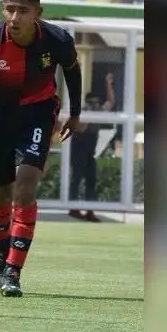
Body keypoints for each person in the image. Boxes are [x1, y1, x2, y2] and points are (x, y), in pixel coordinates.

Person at [0, 0, 82, 297]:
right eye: (10, 9)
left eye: (23, 11)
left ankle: (13, 271)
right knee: (1, 194)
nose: (15, 17)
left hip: (38, 113)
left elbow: (72, 69)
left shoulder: (57, 40)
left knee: (25, 187)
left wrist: (75, 113)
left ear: (38, 12)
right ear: (3, 9)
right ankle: (3, 250)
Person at [69, 73, 116, 222]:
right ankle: (73, 208)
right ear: (88, 102)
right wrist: (87, 115)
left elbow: (111, 102)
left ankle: (90, 211)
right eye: (92, 103)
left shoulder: (98, 111)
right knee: (76, 178)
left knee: (91, 179)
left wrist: (108, 83)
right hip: (79, 148)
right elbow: (80, 129)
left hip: (90, 150)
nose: (95, 105)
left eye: (96, 103)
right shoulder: (82, 111)